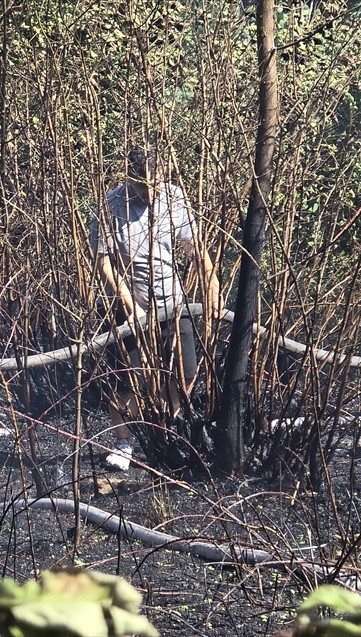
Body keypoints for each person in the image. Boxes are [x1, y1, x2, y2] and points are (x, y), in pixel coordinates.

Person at [88, 147, 220, 471]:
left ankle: (166, 425)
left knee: (187, 372)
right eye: (142, 186)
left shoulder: (174, 198)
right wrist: (130, 305)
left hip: (172, 302)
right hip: (129, 305)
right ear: (129, 180)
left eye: (155, 185)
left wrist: (211, 283)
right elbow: (103, 263)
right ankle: (123, 442)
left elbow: (194, 248)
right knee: (126, 381)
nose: (149, 193)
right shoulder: (111, 205)